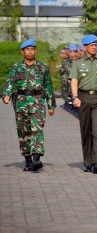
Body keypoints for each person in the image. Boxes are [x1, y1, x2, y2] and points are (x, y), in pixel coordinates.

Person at [2, 38, 56, 171]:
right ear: (23, 52)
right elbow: (9, 82)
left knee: (37, 130)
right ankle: (27, 160)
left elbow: (48, 87)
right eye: (28, 50)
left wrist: (51, 106)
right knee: (24, 132)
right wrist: (6, 95)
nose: (30, 52)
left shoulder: (42, 68)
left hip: (37, 102)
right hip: (21, 103)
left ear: (35, 51)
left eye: (32, 49)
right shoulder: (16, 67)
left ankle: (36, 160)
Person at [69, 34, 97, 174]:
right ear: (85, 47)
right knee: (86, 131)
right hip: (83, 97)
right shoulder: (77, 63)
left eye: (96, 45)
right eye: (92, 45)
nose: (95, 47)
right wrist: (75, 97)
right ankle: (88, 162)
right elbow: (74, 80)